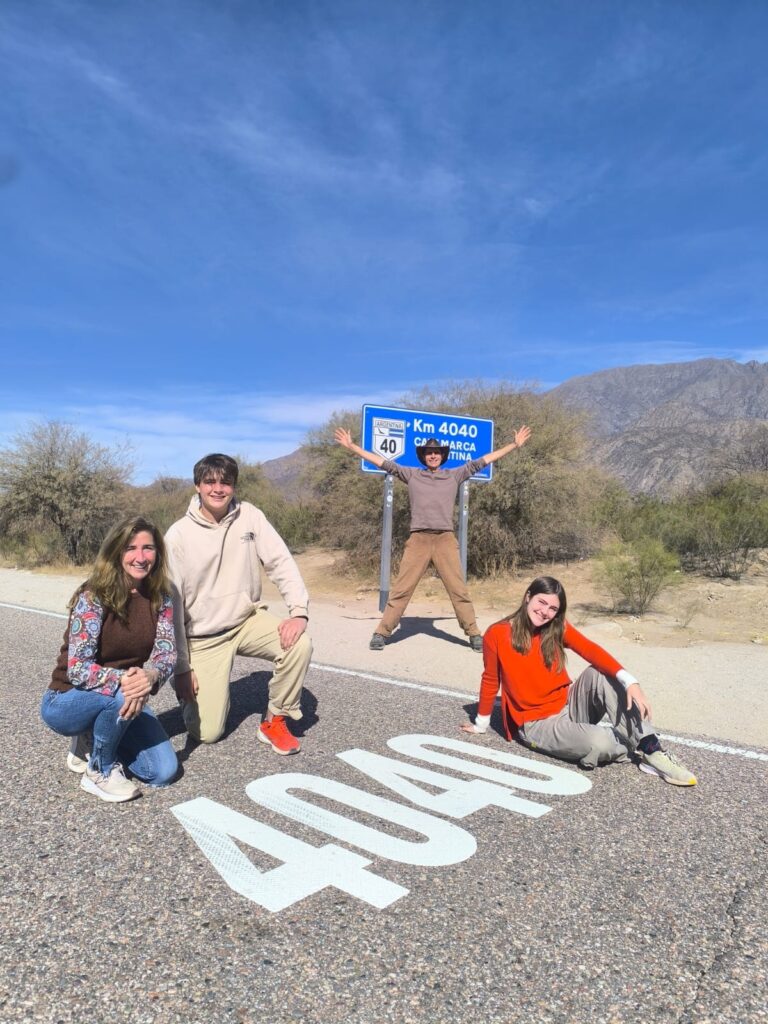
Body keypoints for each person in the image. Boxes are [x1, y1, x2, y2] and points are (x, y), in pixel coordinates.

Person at [461, 576, 696, 785]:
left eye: (553, 608)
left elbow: (590, 650)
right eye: (542, 602)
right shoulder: (497, 634)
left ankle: (651, 749)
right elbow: (491, 679)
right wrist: (481, 724)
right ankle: (621, 739)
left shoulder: (555, 627)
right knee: (599, 741)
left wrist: (630, 681)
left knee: (600, 672)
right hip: (537, 724)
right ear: (528, 597)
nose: (545, 612)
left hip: (569, 706)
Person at [334, 424, 532, 651]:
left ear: (443, 456)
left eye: (437, 452)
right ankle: (382, 632)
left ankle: (474, 633)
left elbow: (484, 460)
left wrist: (514, 446)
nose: (433, 455)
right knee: (401, 589)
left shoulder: (455, 474)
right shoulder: (411, 474)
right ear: (423, 456)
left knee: (458, 589)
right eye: (429, 452)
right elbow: (382, 462)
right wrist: (351, 447)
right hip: (418, 540)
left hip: (444, 540)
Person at [165, 453, 312, 754]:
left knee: (299, 644)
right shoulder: (178, 535)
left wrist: (298, 612)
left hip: (245, 620)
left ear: (234, 486)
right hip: (202, 637)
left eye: (226, 482)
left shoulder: (250, 516)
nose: (218, 489)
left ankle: (275, 720)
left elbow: (280, 562)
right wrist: (181, 668)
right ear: (197, 486)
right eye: (210, 482)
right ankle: (191, 696)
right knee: (207, 733)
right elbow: (172, 607)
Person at [41, 516, 179, 803]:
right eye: (131, 548)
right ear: (117, 551)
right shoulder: (94, 595)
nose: (140, 557)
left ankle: (97, 733)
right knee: (120, 693)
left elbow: (167, 653)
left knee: (163, 771)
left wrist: (150, 677)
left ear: (158, 552)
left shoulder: (161, 596)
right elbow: (77, 669)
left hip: (122, 694)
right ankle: (99, 769)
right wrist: (127, 680)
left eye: (148, 548)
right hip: (67, 698)